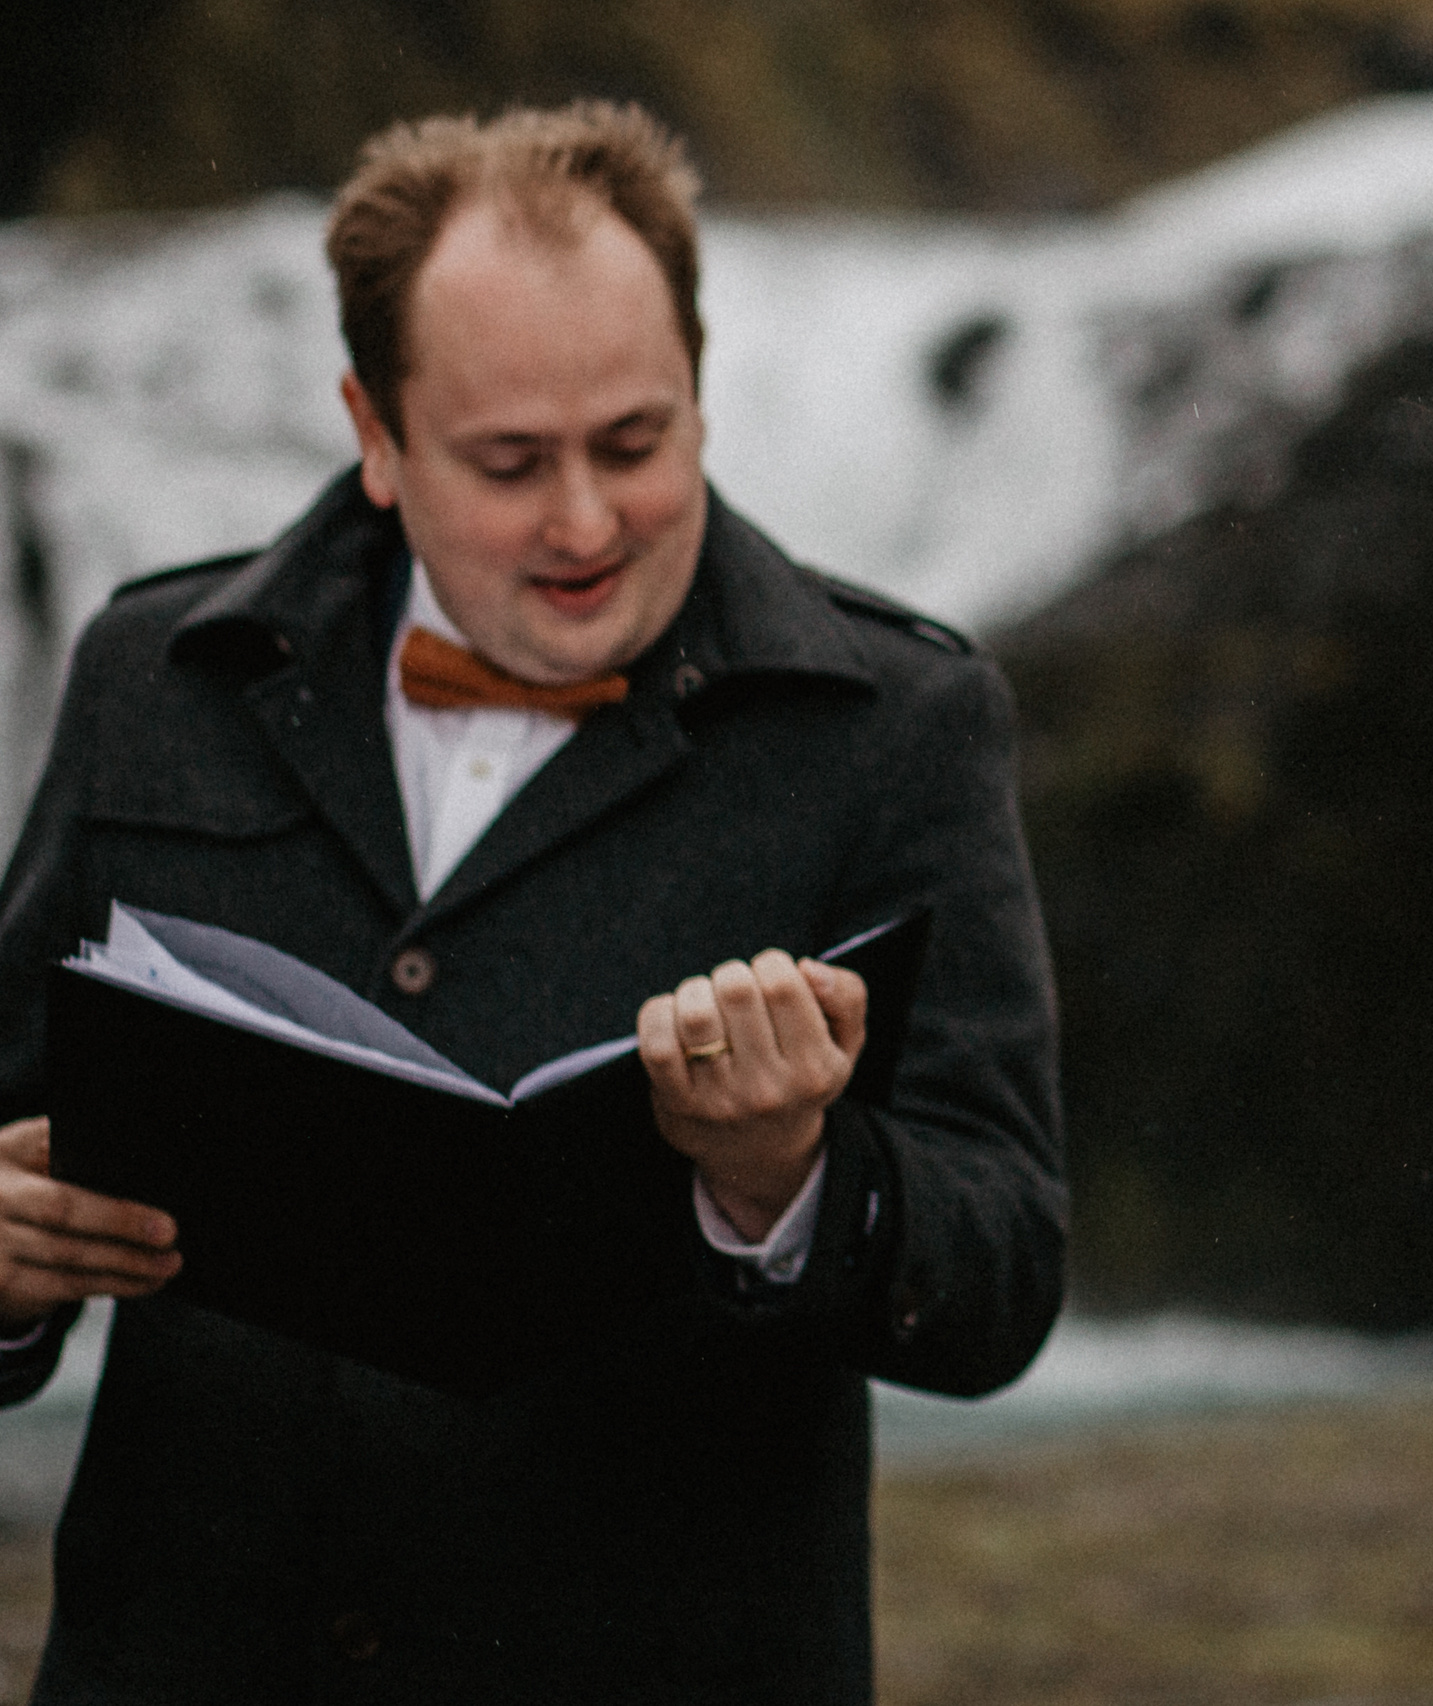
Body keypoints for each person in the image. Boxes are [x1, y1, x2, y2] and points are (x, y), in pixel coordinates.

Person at [0, 103, 1064, 1702]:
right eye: (510, 464)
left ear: (700, 387)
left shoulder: (896, 722)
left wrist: (789, 1175)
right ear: (376, 431)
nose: (584, 523)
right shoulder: (152, 677)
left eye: (635, 443)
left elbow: (1004, 1272)